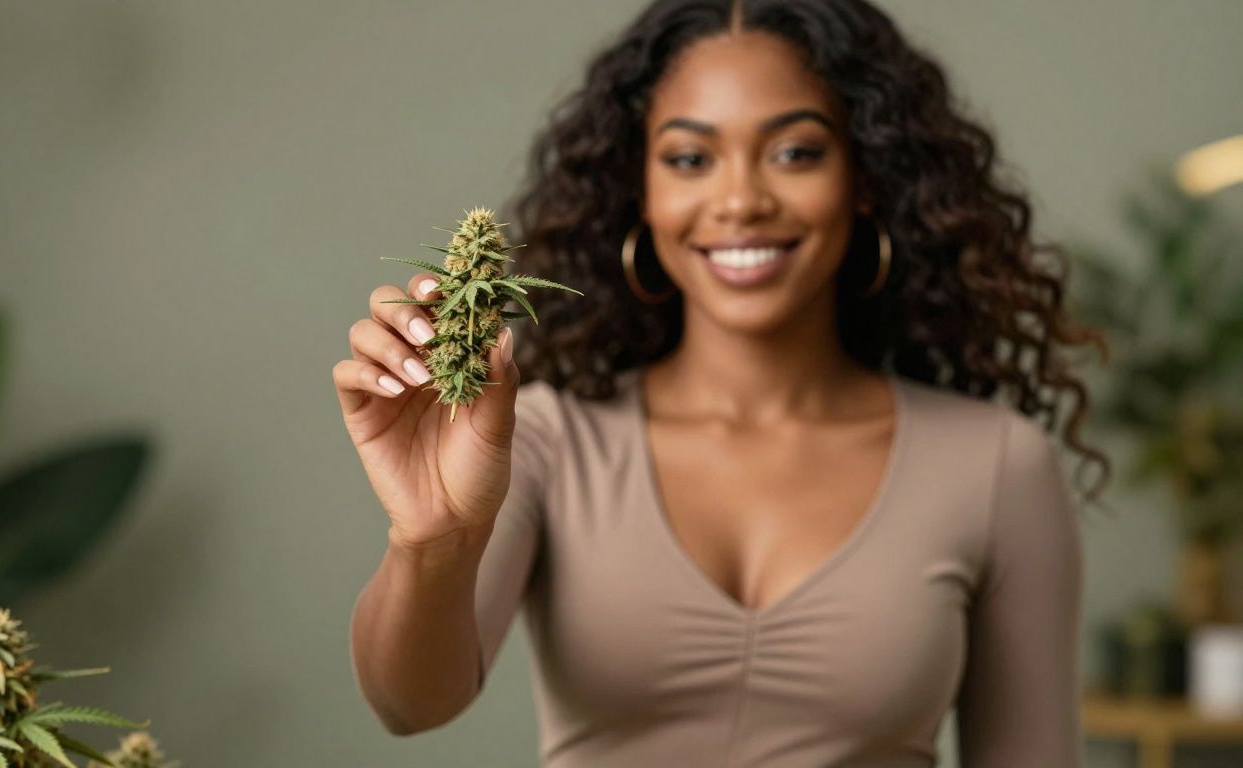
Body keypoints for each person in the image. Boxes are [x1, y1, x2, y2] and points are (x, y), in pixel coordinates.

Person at [337, 0, 1112, 765]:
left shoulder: (996, 465)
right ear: (638, 186)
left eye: (796, 152)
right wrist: (431, 539)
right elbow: (410, 704)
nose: (740, 201)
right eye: (688, 158)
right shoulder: (542, 438)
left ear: (866, 177)